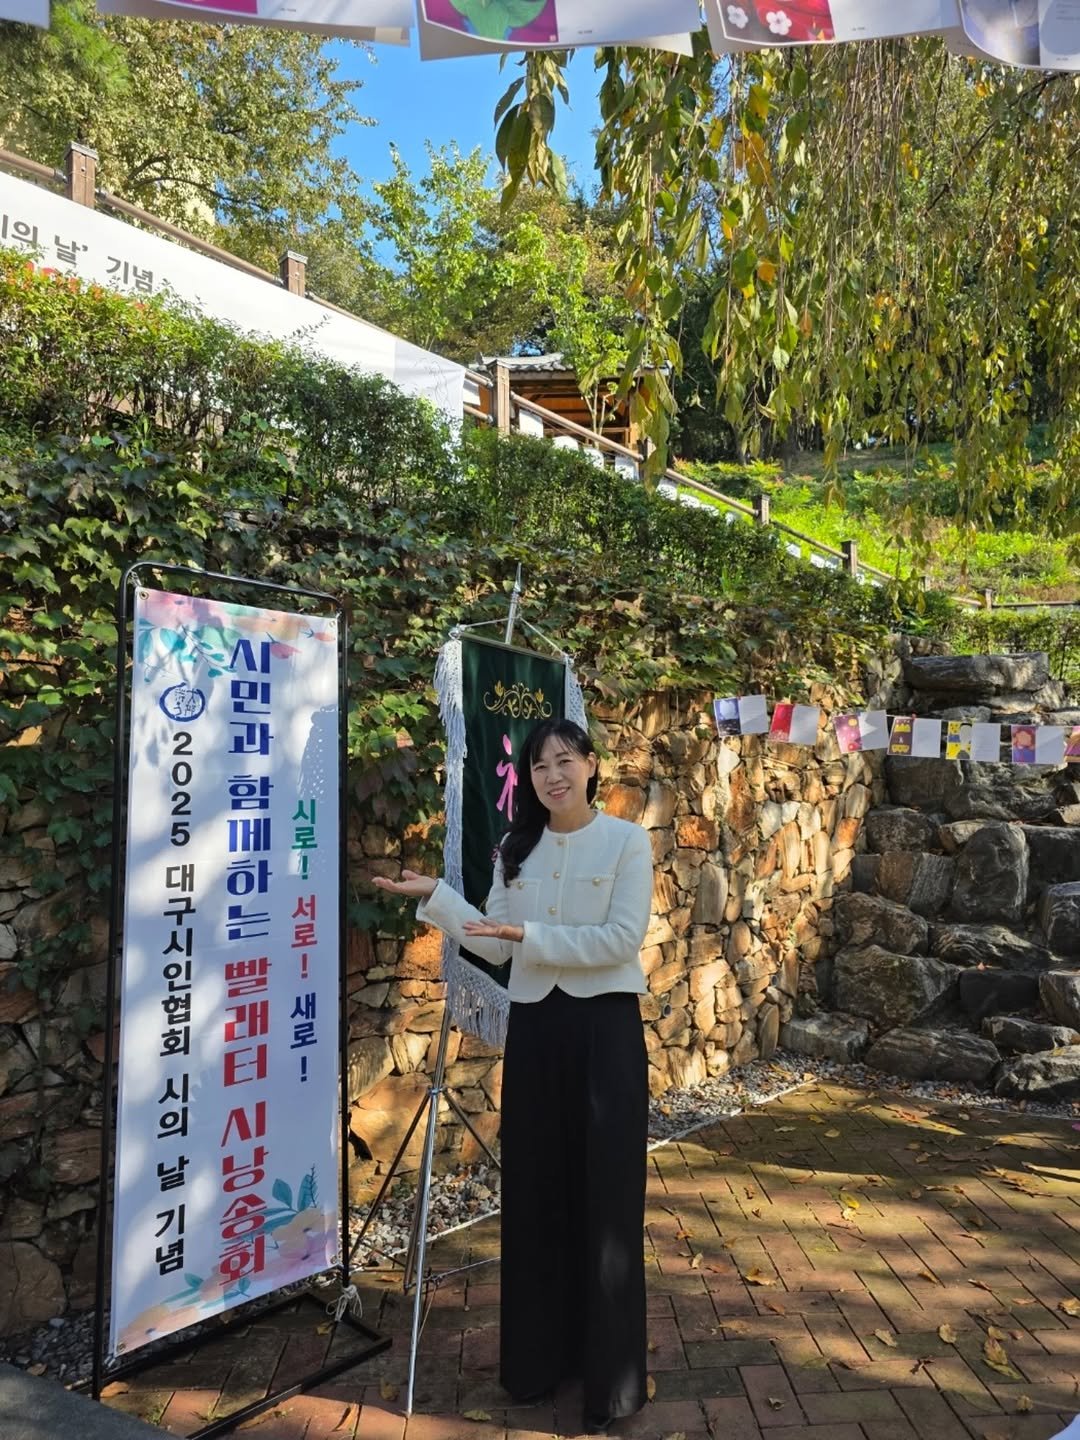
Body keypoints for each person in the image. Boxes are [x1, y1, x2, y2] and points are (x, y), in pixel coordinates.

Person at [373, 718, 654, 1433]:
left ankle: (611, 1384)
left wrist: (531, 936)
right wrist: (438, 896)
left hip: (604, 1035)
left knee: (607, 1203)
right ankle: (536, 1364)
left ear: (592, 765)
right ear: (527, 780)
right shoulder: (514, 848)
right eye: (538, 767)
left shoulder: (627, 841)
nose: (551, 776)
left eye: (565, 761)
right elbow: (495, 949)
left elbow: (621, 940)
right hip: (537, 1031)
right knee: (535, 1197)